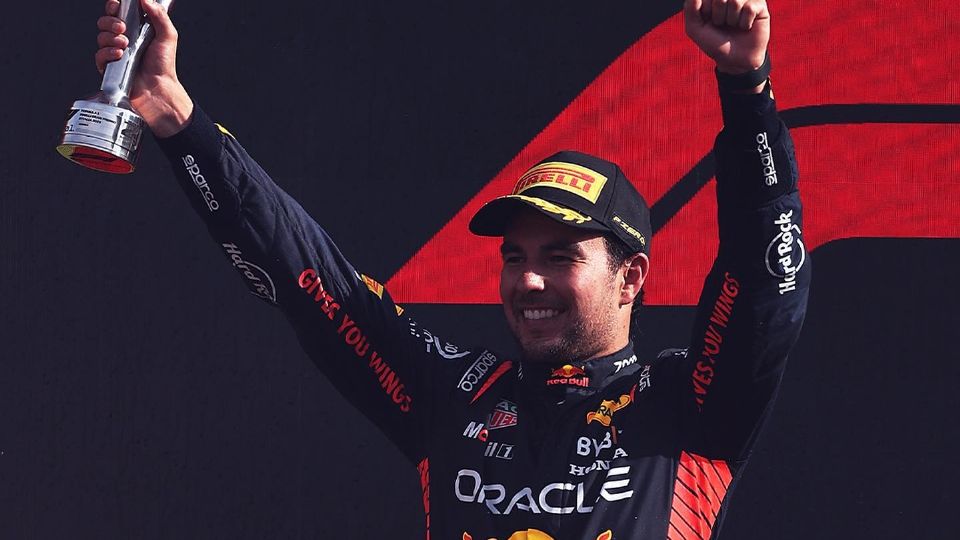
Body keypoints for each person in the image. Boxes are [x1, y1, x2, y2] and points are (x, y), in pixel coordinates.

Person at [94, 0, 809, 537]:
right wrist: (174, 114)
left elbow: (764, 280)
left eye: (560, 256)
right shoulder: (456, 395)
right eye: (515, 256)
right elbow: (309, 276)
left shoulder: (690, 407)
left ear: (631, 278)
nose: (528, 280)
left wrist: (747, 92)